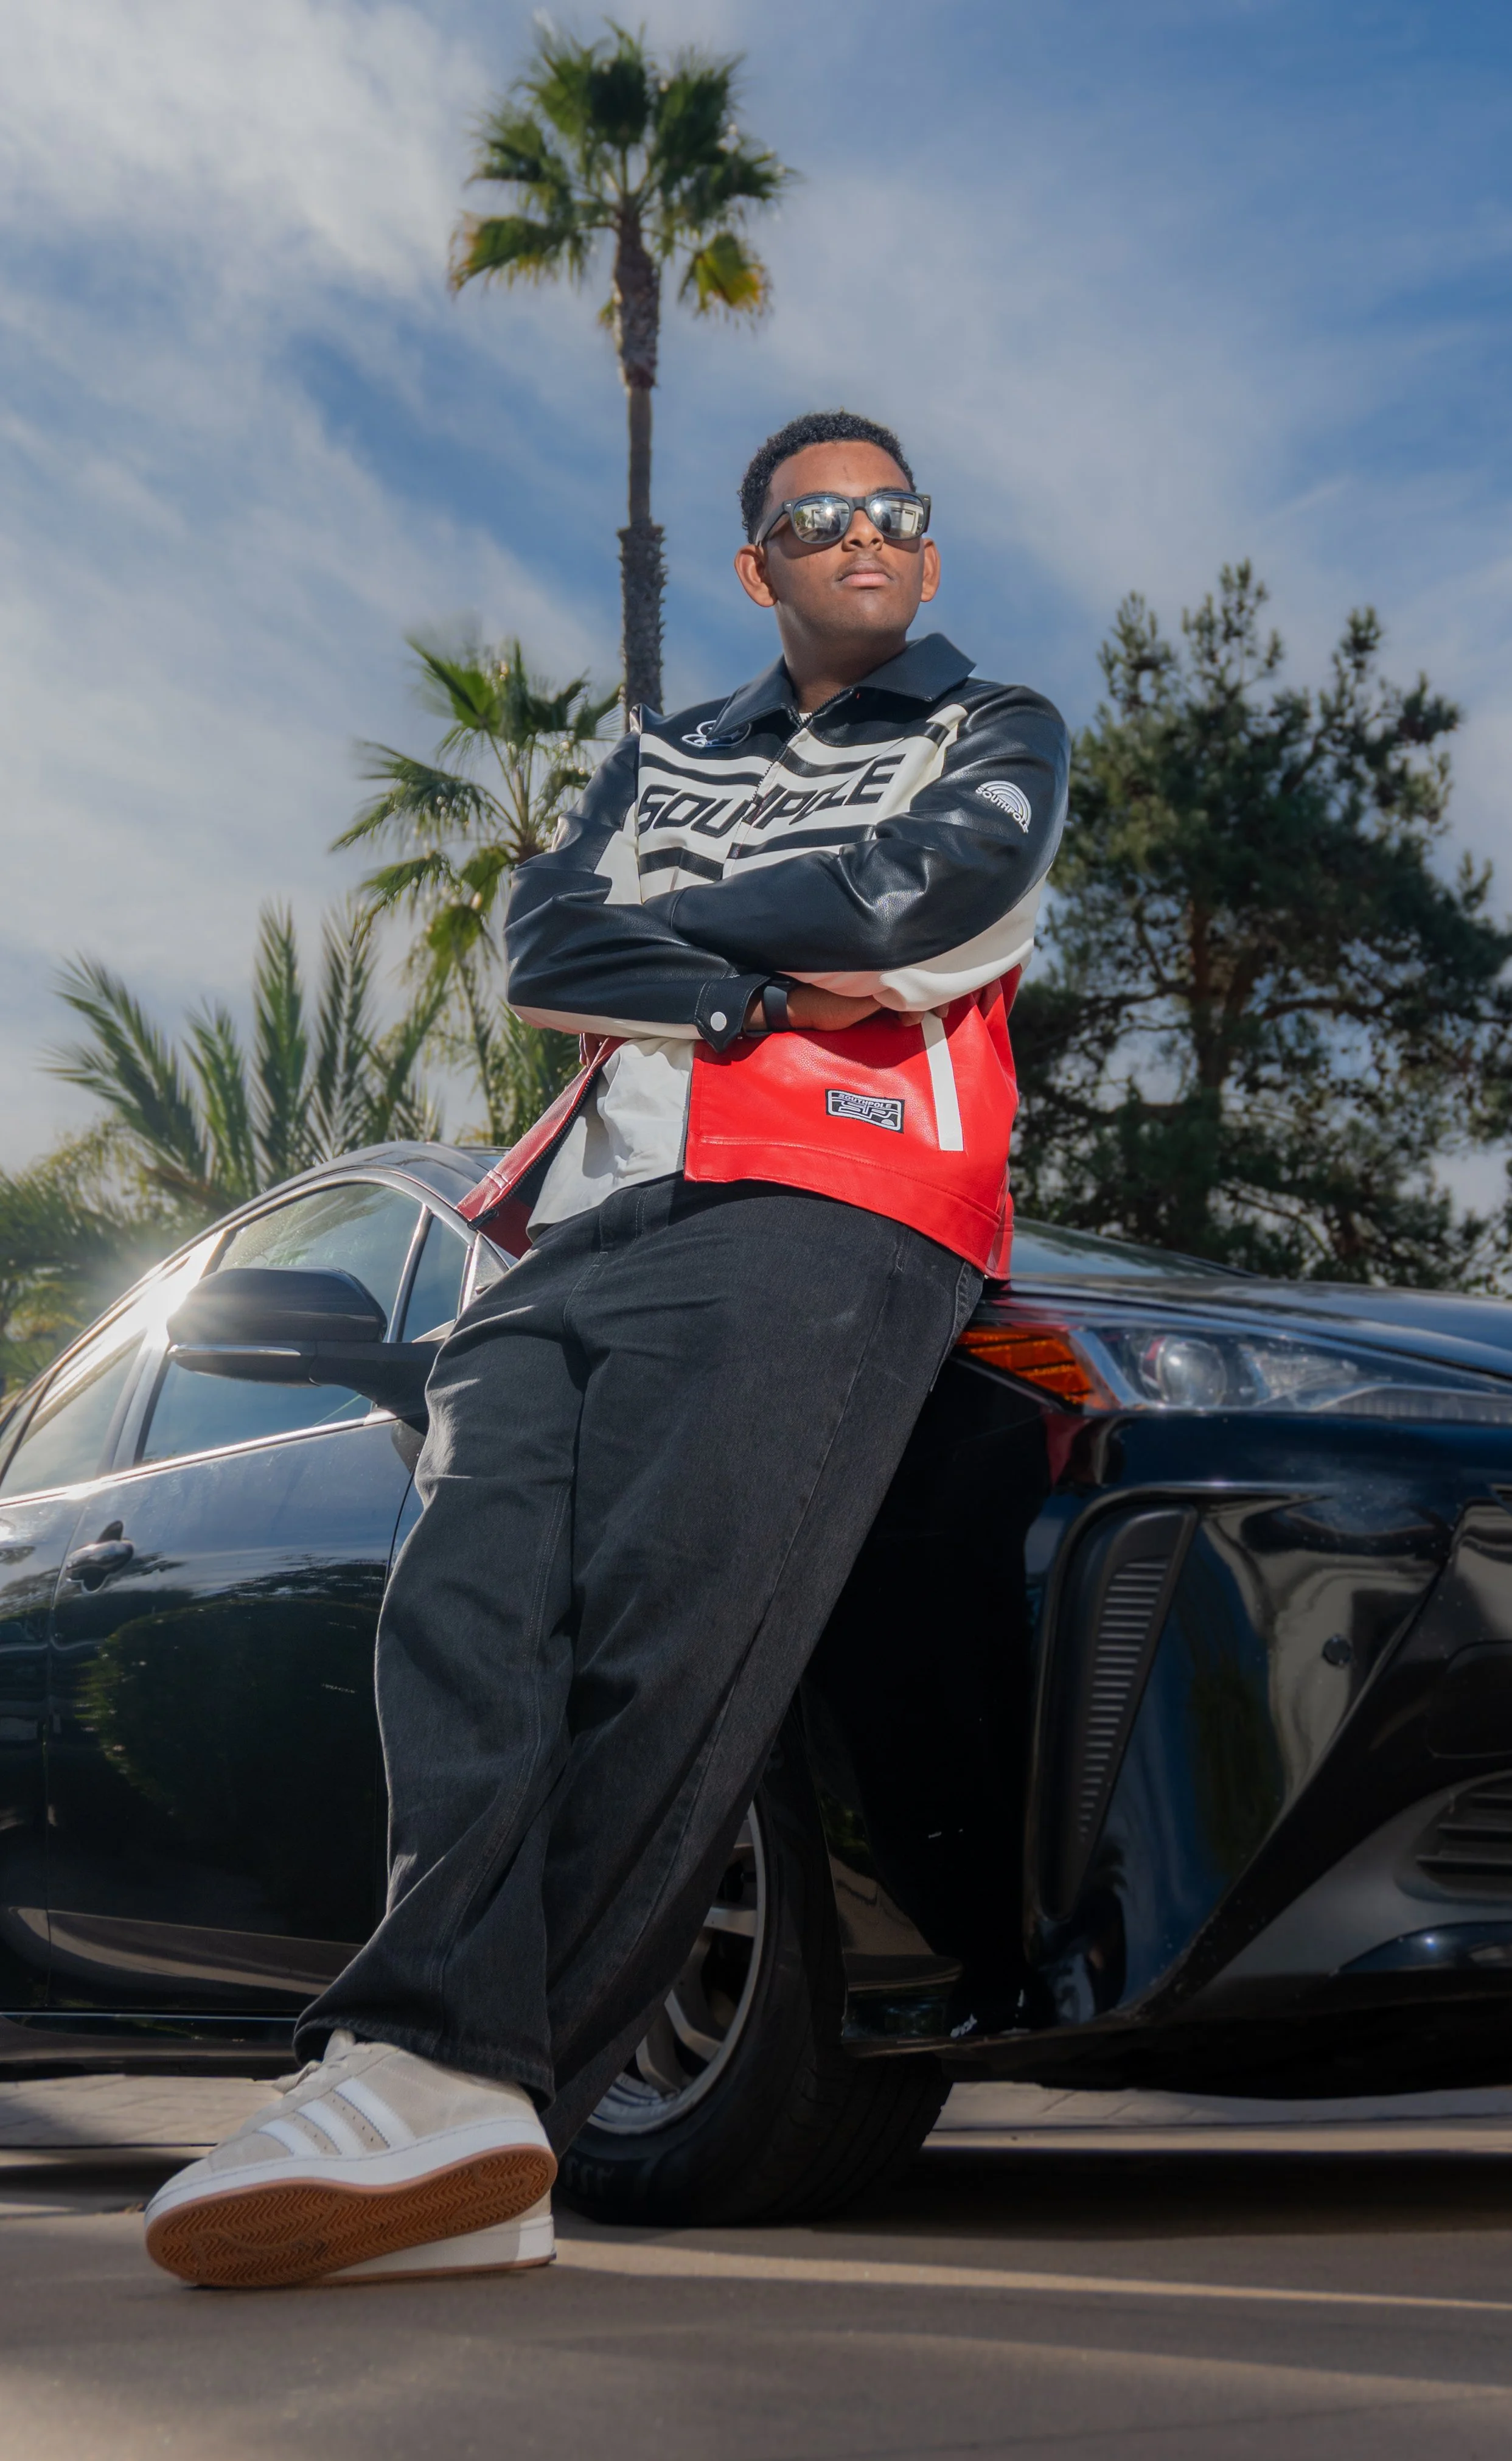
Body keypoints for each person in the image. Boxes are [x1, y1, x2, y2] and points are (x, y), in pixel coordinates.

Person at [144, 408, 1068, 2289]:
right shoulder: (665, 751)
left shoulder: (995, 726)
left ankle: (467, 2083)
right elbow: (543, 942)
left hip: (831, 1198)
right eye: (819, 516)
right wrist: (748, 967)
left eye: (894, 509)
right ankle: (428, 2069)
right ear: (759, 567)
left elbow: (930, 918)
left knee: (672, 1644)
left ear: (927, 549)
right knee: (462, 1619)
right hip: (564, 1226)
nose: (863, 534)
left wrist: (683, 950)